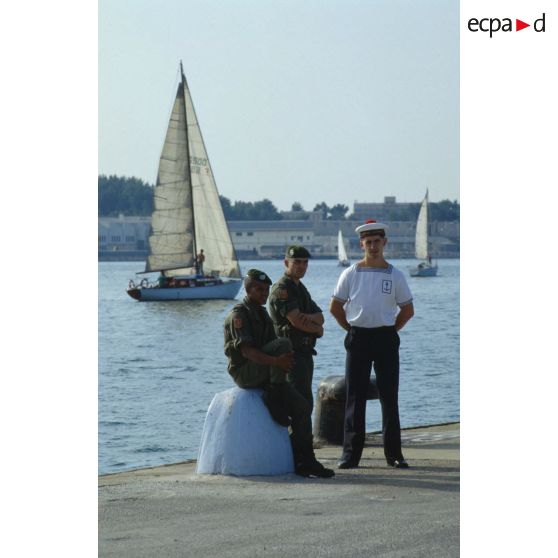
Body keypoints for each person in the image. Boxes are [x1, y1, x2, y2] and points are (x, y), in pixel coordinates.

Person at [224, 268, 334, 479]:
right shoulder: (239, 315)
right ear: (247, 290)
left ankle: (305, 460)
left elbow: (270, 345)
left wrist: (283, 362)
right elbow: (247, 351)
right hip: (245, 372)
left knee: (302, 407)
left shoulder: (262, 313)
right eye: (259, 290)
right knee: (284, 342)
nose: (264, 294)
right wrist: (277, 361)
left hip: (266, 372)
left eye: (266, 290)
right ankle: (275, 392)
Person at [329, 220, 414, 470]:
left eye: (377, 242)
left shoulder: (395, 275)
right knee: (354, 397)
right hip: (359, 338)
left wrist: (391, 329)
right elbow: (335, 307)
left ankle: (394, 454)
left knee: (389, 396)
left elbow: (407, 310)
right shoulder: (351, 273)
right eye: (368, 242)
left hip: (386, 338)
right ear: (362, 244)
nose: (373, 247)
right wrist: (352, 330)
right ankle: (350, 454)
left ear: (384, 243)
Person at [268, 245, 324, 410]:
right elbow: (296, 321)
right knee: (298, 403)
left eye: (305, 262)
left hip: (305, 352)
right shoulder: (283, 289)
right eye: (297, 262)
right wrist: (317, 329)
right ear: (287, 262)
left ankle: (303, 436)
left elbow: (320, 317)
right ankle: (298, 437)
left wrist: (309, 319)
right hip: (291, 354)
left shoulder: (300, 288)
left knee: (306, 401)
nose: (301, 266)